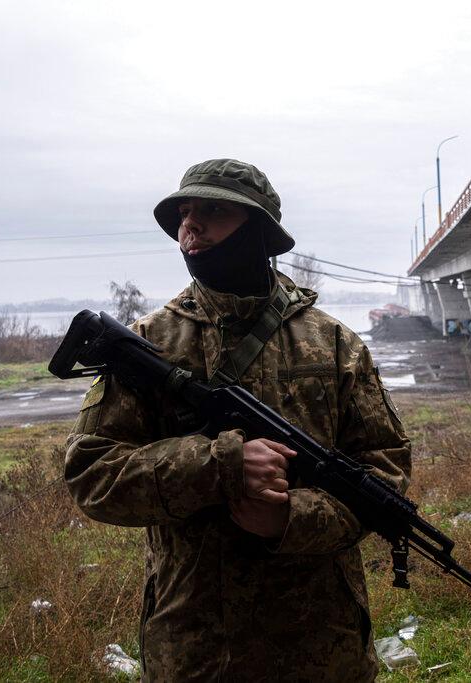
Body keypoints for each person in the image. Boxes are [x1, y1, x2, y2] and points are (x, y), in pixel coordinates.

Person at [64, 159, 412, 682]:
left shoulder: (335, 344)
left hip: (322, 645)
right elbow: (94, 475)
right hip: (196, 647)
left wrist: (289, 518)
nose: (190, 226)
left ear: (259, 231)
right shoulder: (148, 343)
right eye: (184, 213)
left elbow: (383, 474)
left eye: (213, 210)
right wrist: (218, 464)